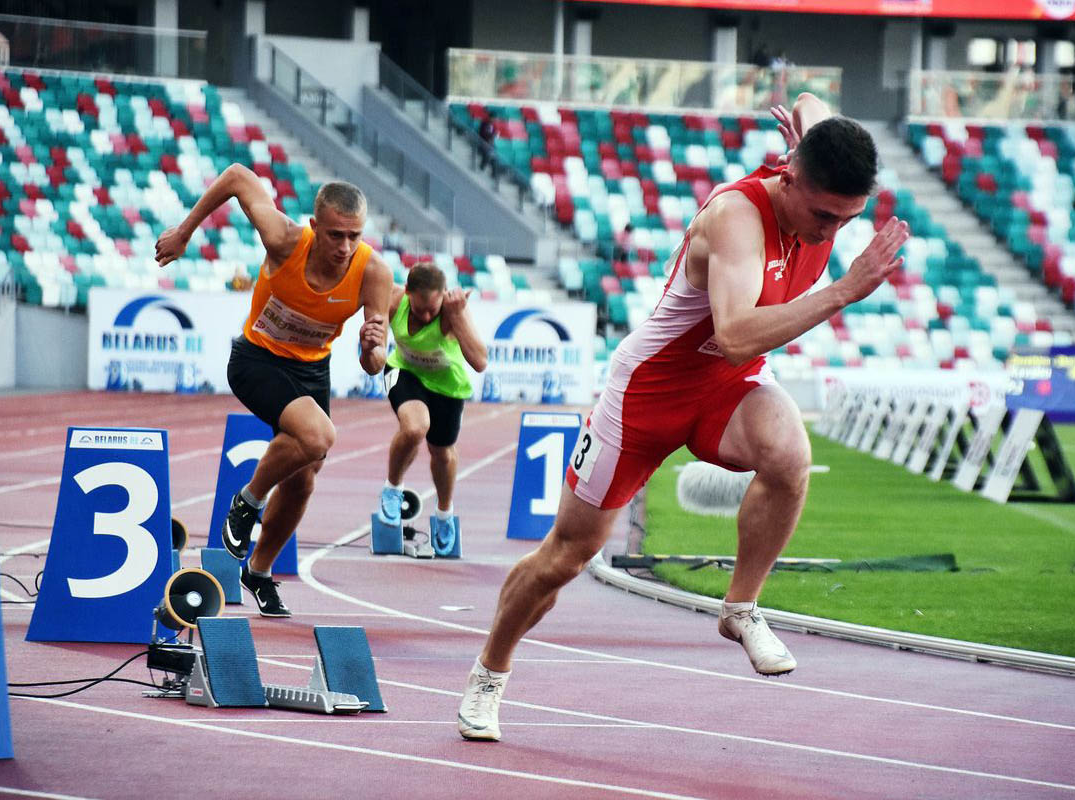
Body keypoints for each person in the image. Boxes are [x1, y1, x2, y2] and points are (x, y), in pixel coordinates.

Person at [456, 93, 910, 741]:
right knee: (565, 556)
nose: (829, 234)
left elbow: (811, 103)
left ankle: (741, 606)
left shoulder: (814, 176)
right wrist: (844, 289)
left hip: (727, 391)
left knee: (790, 458)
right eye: (821, 215)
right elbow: (734, 333)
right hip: (649, 396)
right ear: (788, 178)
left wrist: (806, 125)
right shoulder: (735, 218)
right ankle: (490, 671)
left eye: (846, 220)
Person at [155, 165, 392, 617]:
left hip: (310, 370)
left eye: (355, 236)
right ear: (314, 227)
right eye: (336, 235)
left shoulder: (373, 273)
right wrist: (185, 233)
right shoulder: (284, 240)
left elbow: (373, 363)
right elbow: (238, 176)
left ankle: (259, 572)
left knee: (304, 479)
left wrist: (372, 350)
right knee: (319, 438)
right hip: (256, 359)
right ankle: (247, 501)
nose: (345, 248)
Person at [378, 263, 487, 555]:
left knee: (442, 453)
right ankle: (392, 488)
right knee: (415, 427)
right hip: (405, 372)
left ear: (442, 297)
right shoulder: (393, 300)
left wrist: (458, 315)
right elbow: (374, 340)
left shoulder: (452, 311)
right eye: (419, 310)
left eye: (432, 310)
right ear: (407, 294)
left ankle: (443, 514)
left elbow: (480, 362)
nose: (426, 316)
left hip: (446, 386)